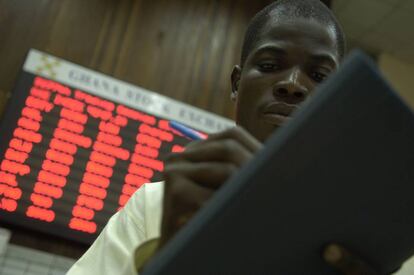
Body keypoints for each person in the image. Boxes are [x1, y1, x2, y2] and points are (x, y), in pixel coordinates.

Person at [67, 1, 414, 274]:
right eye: (268, 65)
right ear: (237, 84)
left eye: (320, 75)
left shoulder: (374, 236)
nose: (293, 84)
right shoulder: (157, 206)